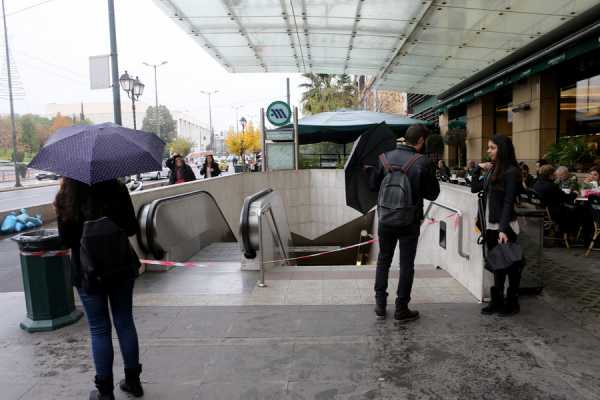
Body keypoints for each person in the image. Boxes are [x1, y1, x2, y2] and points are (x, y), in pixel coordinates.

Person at [55, 178, 143, 400]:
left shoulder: (67, 194)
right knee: (125, 322)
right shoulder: (117, 188)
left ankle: (105, 393)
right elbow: (132, 228)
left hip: (88, 272)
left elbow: (65, 241)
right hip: (121, 267)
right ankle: (133, 382)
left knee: (99, 329)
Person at [368, 124, 440, 322]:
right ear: (421, 141)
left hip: (386, 219)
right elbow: (433, 193)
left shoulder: (384, 158)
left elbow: (373, 185)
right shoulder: (422, 162)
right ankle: (401, 308)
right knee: (406, 264)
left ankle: (380, 305)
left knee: (383, 259)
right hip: (409, 221)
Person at [471, 135, 522, 316]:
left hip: (504, 225)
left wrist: (502, 229)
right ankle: (497, 300)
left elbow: (509, 201)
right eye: (488, 148)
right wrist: (478, 168)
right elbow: (474, 188)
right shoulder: (493, 169)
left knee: (511, 265)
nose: (488, 151)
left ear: (501, 148)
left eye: (492, 148)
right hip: (490, 225)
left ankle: (512, 302)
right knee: (497, 264)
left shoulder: (511, 171)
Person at [533, 165, 577, 234]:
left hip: (542, 211)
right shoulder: (551, 186)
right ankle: (570, 235)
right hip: (554, 213)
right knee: (577, 210)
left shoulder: (536, 184)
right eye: (555, 175)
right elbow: (565, 198)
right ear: (550, 175)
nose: (556, 176)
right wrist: (574, 194)